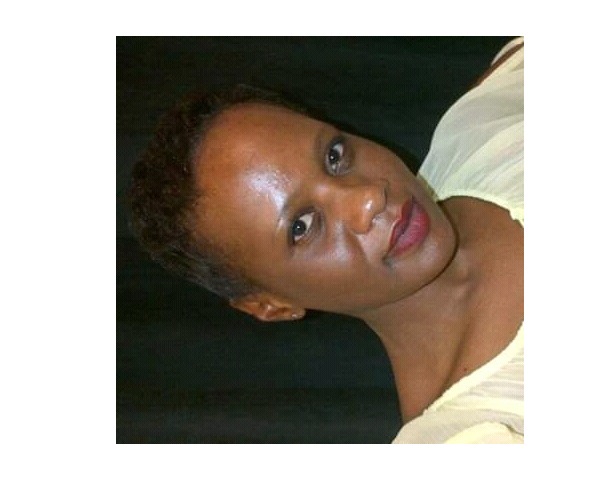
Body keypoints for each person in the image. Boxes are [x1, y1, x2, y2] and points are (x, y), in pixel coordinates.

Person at [128, 37, 524, 443]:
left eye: (334, 156)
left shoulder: (487, 124)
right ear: (271, 305)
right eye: (301, 226)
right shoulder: (471, 439)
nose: (367, 198)